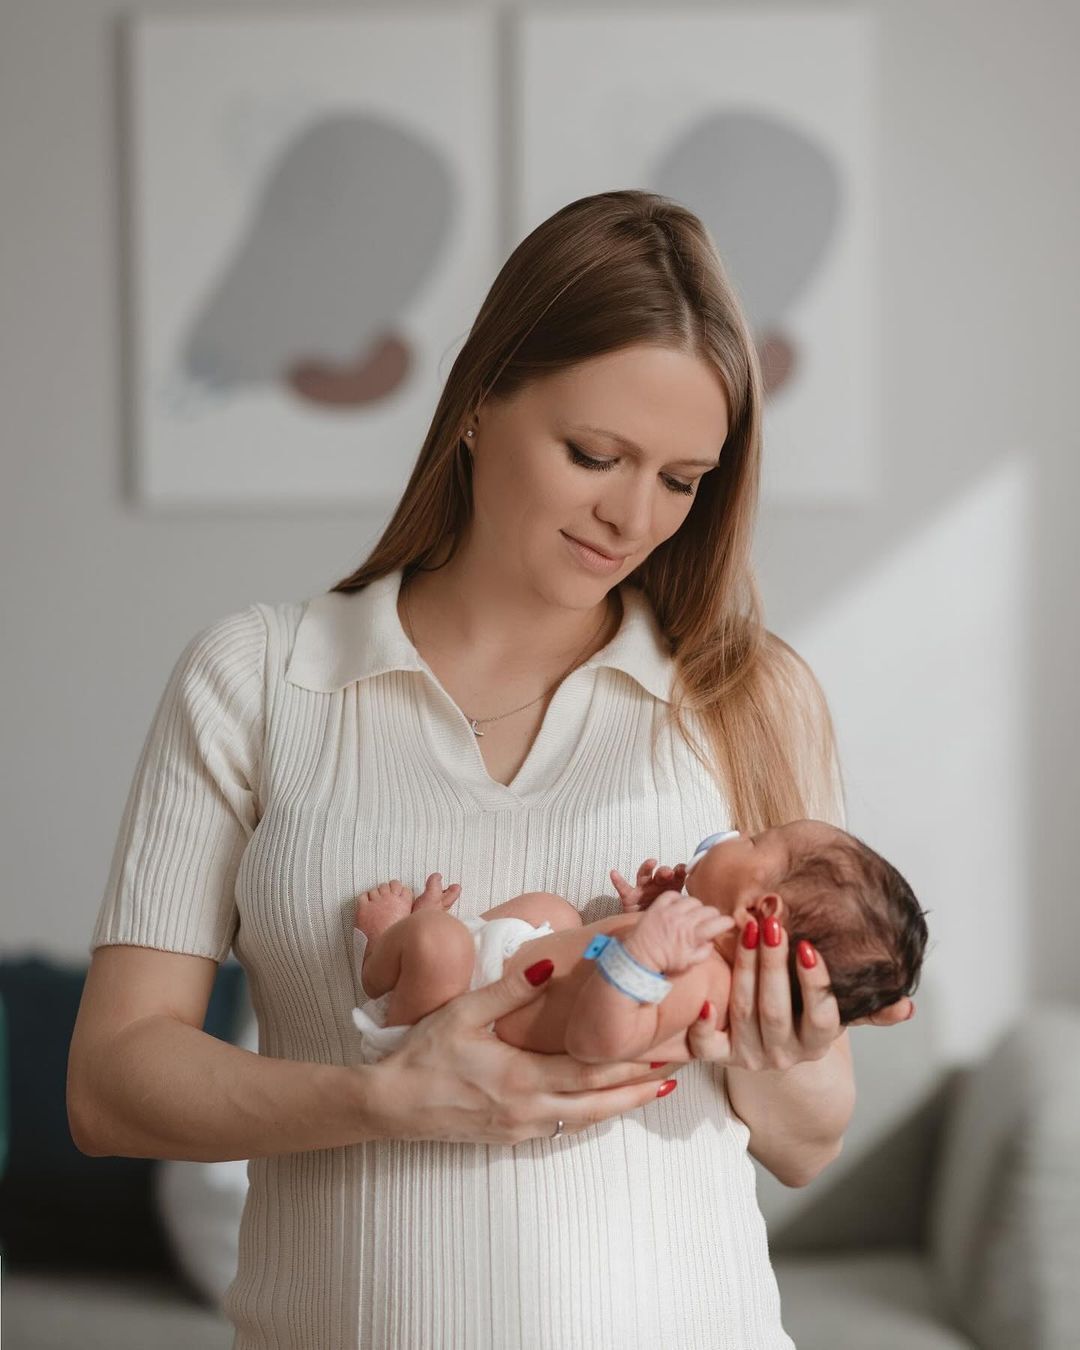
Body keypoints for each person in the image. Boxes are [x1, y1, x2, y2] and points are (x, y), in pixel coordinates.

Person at [68, 189, 915, 1350]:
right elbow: (110, 1086)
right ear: (476, 405)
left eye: (681, 480)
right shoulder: (260, 677)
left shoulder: (746, 694)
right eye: (594, 454)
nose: (632, 518)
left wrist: (796, 1046)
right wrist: (384, 1097)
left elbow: (806, 1145)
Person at [349, 821, 928, 1065]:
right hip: (510, 967)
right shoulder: (695, 950)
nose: (735, 833)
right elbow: (598, 955)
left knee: (437, 942)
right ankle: (433, 947)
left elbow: (599, 1041)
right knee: (553, 910)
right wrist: (641, 917)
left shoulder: (700, 983)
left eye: (754, 841)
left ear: (761, 909)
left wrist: (643, 953)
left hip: (457, 1026)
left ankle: (385, 951)